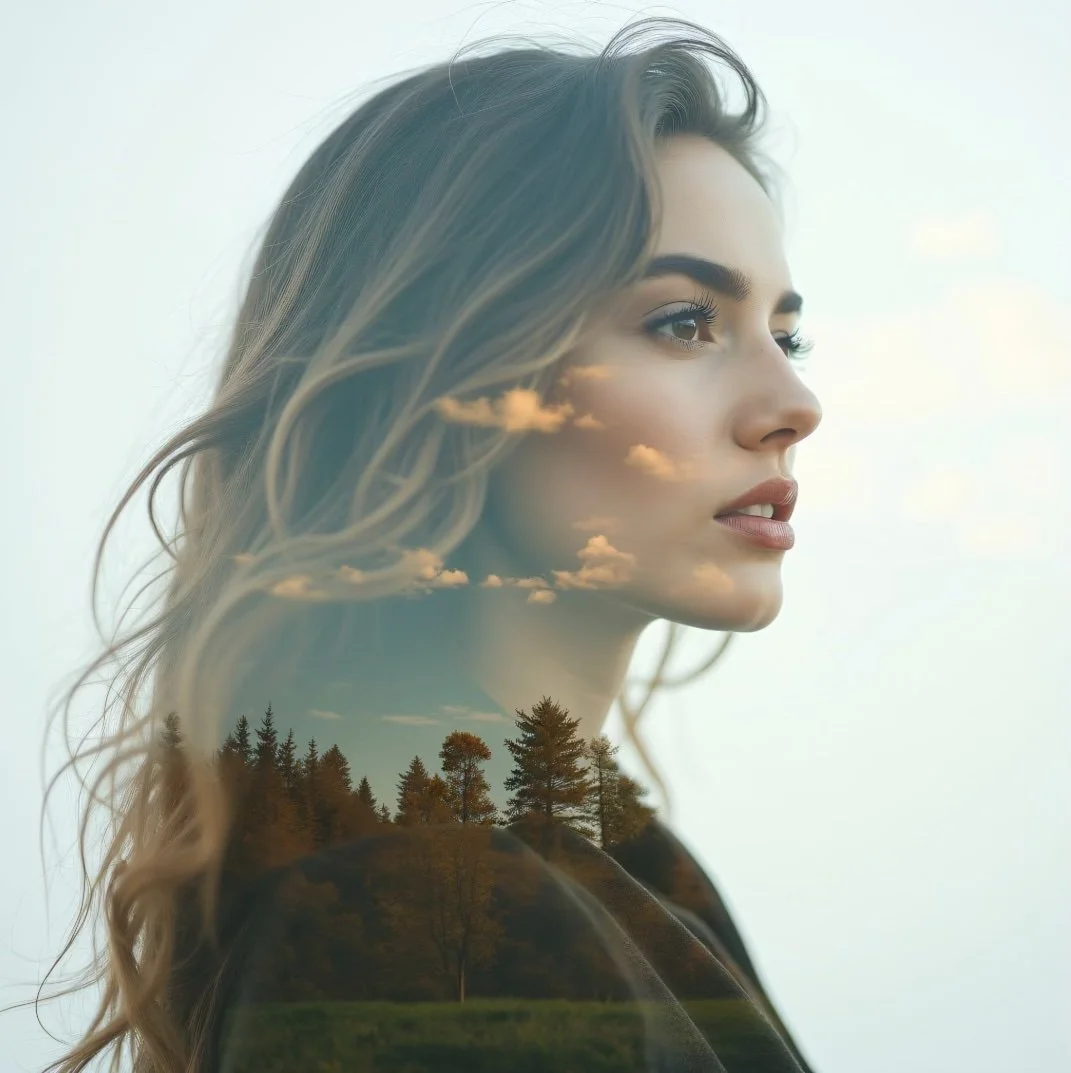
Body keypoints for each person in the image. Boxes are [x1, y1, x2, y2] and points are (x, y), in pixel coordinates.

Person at [30, 16, 823, 1073]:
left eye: (788, 331)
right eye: (684, 321)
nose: (795, 402)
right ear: (456, 381)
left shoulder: (606, 871)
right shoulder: (432, 913)